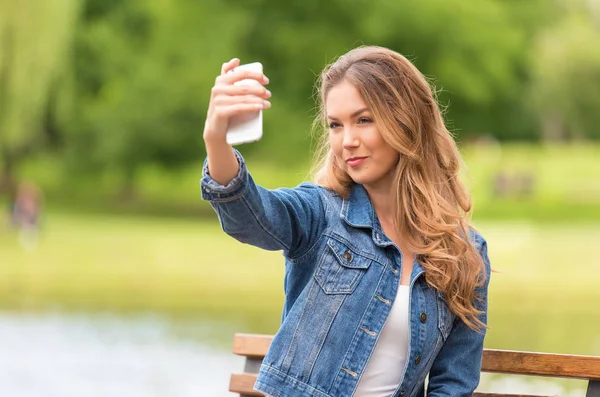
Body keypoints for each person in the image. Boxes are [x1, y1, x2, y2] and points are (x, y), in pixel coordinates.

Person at [201, 46, 491, 397]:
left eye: (364, 120)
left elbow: (453, 385)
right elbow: (252, 217)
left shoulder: (464, 252)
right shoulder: (320, 213)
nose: (347, 141)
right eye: (336, 125)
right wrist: (217, 140)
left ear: (406, 121)